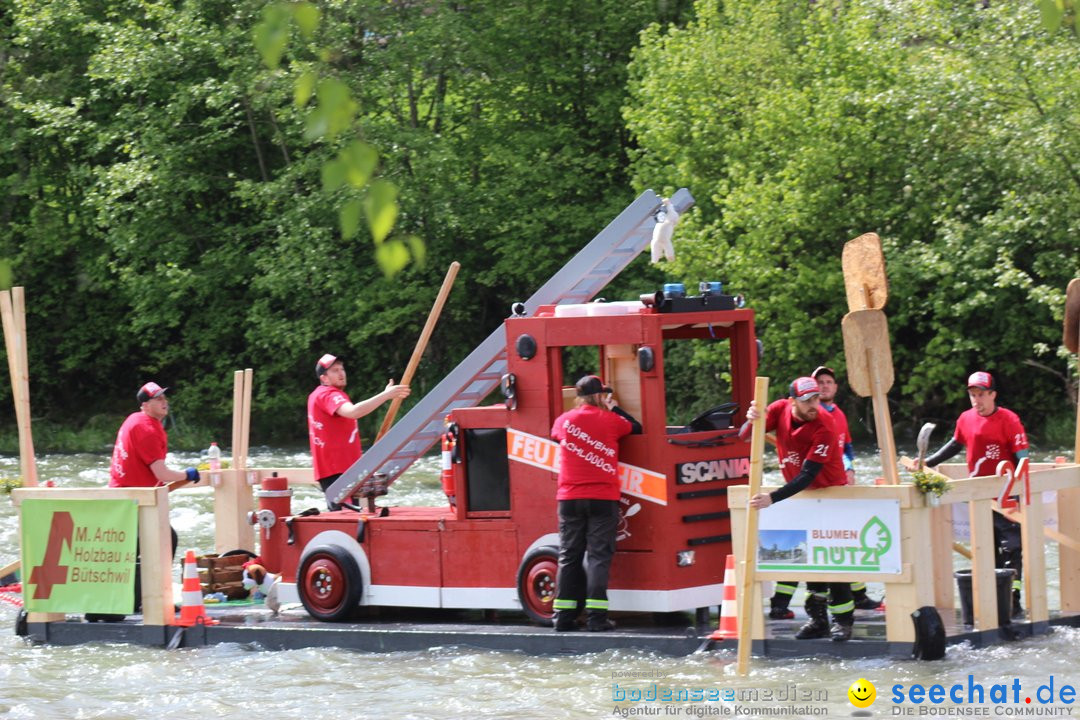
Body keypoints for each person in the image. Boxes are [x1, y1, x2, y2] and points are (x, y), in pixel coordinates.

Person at [743, 376, 856, 641]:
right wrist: (751, 419)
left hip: (829, 495)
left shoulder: (825, 426)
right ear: (793, 401)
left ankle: (843, 622)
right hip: (802, 497)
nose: (814, 405)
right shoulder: (779, 408)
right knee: (809, 562)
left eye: (816, 398)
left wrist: (772, 498)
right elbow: (747, 436)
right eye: (807, 401)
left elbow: (808, 475)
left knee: (833, 562)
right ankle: (818, 621)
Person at [921, 370, 1028, 616]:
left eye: (981, 395)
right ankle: (994, 600)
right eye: (972, 395)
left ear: (993, 395)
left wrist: (1017, 489)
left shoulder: (1009, 420)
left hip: (1006, 495)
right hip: (979, 496)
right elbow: (956, 443)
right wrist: (930, 461)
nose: (977, 400)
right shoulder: (965, 419)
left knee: (1012, 548)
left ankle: (1014, 598)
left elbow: (1023, 458)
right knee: (986, 550)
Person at [99, 381, 201, 621]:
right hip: (134, 499)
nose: (164, 402)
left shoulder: (134, 420)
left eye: (164, 397)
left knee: (141, 547)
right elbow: (162, 474)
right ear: (145, 405)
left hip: (123, 496)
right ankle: (146, 601)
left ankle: (135, 601)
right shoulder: (147, 428)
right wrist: (188, 475)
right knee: (162, 540)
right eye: (158, 399)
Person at [551, 375, 641, 632]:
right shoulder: (611, 421)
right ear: (601, 396)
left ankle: (563, 618)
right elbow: (636, 427)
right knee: (598, 558)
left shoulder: (564, 420)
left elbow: (555, 436)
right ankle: (596, 619)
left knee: (569, 556)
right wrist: (613, 407)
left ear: (578, 396)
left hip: (569, 498)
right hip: (603, 498)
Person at [307, 354, 411, 507]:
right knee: (346, 519)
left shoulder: (319, 395)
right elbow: (354, 411)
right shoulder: (327, 394)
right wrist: (386, 395)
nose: (341, 373)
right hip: (338, 470)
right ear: (324, 378)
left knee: (347, 518)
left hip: (340, 469)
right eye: (335, 370)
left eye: (342, 369)